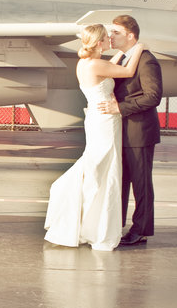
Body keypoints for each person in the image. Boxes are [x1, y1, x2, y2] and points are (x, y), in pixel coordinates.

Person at [43, 24, 143, 251]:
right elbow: (127, 72)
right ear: (99, 43)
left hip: (97, 119)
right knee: (103, 168)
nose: (110, 40)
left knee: (98, 165)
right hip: (106, 121)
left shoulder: (86, 63)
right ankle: (96, 224)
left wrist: (120, 53)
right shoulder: (97, 64)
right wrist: (138, 48)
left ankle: (88, 220)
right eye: (107, 38)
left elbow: (110, 67)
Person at [99, 15, 162, 246]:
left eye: (115, 32)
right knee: (121, 181)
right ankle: (117, 226)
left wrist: (120, 107)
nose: (110, 36)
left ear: (130, 35)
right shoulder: (125, 58)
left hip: (139, 132)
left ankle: (141, 230)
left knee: (141, 183)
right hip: (121, 130)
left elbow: (153, 96)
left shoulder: (146, 61)